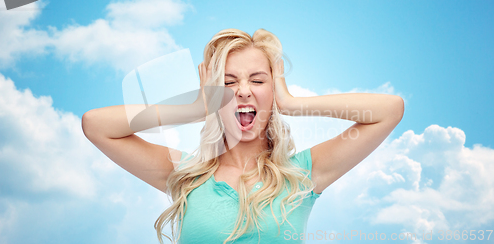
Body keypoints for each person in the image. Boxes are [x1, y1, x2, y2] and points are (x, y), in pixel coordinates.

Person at [82, 28, 404, 244]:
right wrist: (196, 108)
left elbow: (389, 110)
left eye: (258, 81)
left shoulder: (303, 174)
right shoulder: (186, 175)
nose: (244, 91)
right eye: (229, 81)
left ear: (273, 90)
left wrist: (292, 103)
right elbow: (97, 125)